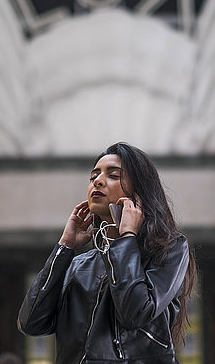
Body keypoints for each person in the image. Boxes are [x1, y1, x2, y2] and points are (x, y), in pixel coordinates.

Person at [17, 142, 196, 364]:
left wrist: (126, 237)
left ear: (139, 190)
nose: (98, 181)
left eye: (113, 175)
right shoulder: (81, 263)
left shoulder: (169, 248)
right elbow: (31, 322)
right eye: (94, 176)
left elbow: (135, 313)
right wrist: (64, 247)